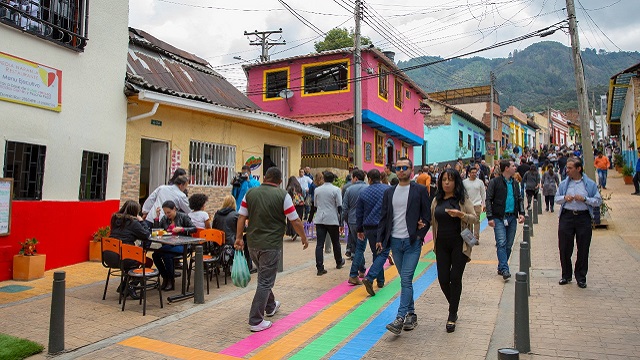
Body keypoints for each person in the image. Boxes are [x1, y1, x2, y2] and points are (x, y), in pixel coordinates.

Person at [234, 167, 308, 332]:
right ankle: (255, 320)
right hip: (271, 245)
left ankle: (270, 305)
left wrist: (239, 238)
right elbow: (295, 220)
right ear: (280, 181)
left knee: (263, 276)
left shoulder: (250, 193)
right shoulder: (283, 195)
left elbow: (241, 217)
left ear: (264, 177)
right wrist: (303, 237)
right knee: (265, 281)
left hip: (252, 244)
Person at [378, 157, 431, 335]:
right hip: (395, 241)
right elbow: (384, 217)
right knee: (405, 280)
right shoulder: (389, 192)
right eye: (398, 167)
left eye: (405, 167)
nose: (401, 170)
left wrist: (420, 235)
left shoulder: (420, 190)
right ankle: (411, 315)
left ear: (411, 170)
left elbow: (427, 217)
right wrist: (380, 238)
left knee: (406, 279)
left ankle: (400, 318)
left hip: (412, 243)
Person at [431, 168, 477, 333]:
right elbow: (432, 219)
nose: (447, 183)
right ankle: (454, 304)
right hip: (441, 245)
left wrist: (461, 215)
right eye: (444, 180)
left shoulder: (462, 199)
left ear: (456, 182)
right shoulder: (437, 200)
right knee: (443, 279)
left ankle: (452, 315)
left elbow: (474, 218)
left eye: (450, 180)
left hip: (459, 244)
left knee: (455, 278)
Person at [555, 158, 602, 288]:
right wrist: (565, 198)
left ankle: (581, 276)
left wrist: (585, 199)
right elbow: (556, 198)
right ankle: (566, 275)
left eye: (570, 168)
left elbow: (598, 201)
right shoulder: (564, 184)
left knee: (583, 247)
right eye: (567, 168)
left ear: (578, 168)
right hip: (567, 217)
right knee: (564, 247)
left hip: (583, 217)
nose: (567, 170)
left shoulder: (590, 184)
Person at [486, 160, 525, 280]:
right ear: (506, 168)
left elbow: (519, 198)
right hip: (499, 217)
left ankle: (501, 266)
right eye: (513, 166)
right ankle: (504, 269)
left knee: (509, 244)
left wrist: (522, 213)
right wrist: (490, 217)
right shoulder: (495, 182)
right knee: (501, 242)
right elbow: (488, 199)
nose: (515, 168)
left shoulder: (515, 183)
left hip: (512, 217)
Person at [108, 200, 152, 300]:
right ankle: (131, 286)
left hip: (110, 256)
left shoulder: (114, 220)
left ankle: (124, 285)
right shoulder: (133, 222)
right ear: (135, 212)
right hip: (125, 257)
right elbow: (146, 235)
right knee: (147, 261)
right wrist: (141, 221)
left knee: (133, 261)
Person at [356, 169, 391, 292]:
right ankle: (371, 278)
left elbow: (359, 213)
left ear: (369, 179)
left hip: (369, 227)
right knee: (383, 252)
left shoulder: (364, 193)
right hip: (385, 226)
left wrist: (359, 229)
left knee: (376, 253)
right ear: (380, 178)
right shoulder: (387, 190)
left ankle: (380, 280)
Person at [152, 200, 197, 291]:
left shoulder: (183, 216)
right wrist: (157, 217)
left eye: (169, 212)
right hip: (169, 244)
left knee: (166, 255)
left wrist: (182, 229)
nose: (167, 214)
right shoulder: (165, 219)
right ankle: (165, 277)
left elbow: (194, 229)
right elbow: (157, 230)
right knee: (155, 255)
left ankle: (170, 281)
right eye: (165, 213)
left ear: (174, 209)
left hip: (182, 245)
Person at [313, 171, 345, 276]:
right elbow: (340, 206)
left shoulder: (317, 190)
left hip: (320, 219)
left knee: (319, 244)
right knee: (335, 242)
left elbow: (315, 205)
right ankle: (339, 262)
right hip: (332, 219)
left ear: (324, 178)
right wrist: (341, 222)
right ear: (333, 179)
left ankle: (319, 267)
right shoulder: (336, 190)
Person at [343, 169, 368, 285]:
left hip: (352, 221)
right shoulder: (368, 188)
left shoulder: (349, 190)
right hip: (365, 221)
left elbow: (345, 208)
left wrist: (341, 222)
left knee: (358, 246)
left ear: (355, 178)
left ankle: (362, 269)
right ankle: (354, 273)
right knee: (360, 247)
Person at [462, 167, 485, 242]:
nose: (474, 174)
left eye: (475, 172)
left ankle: (476, 237)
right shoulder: (464, 182)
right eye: (472, 172)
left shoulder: (480, 182)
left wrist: (483, 204)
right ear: (469, 173)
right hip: (468, 205)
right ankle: (470, 238)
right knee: (468, 221)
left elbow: (483, 193)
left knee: (476, 221)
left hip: (477, 204)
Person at [285, 176, 305, 241]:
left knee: (291, 219)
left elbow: (287, 195)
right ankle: (298, 232)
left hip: (293, 204)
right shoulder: (299, 186)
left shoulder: (289, 187)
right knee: (298, 218)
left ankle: (293, 232)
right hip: (300, 204)